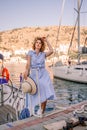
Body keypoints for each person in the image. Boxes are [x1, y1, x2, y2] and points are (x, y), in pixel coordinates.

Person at [24, 36, 56, 115]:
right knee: (34, 91)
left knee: (45, 88)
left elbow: (52, 50)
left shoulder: (43, 54)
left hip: (43, 74)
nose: (38, 44)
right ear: (34, 44)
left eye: (40, 43)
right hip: (34, 74)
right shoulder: (30, 53)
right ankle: (31, 108)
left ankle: (42, 110)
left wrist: (47, 41)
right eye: (37, 43)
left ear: (42, 45)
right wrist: (26, 71)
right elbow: (28, 64)